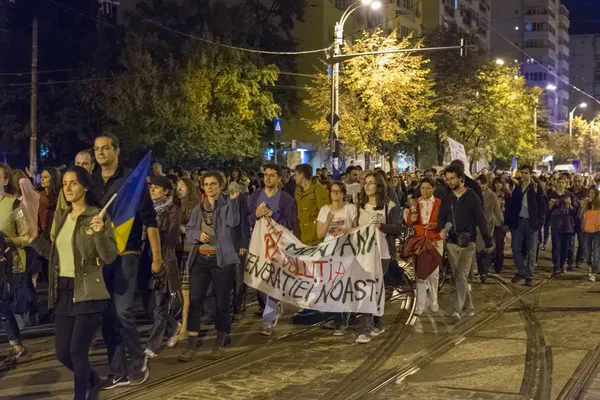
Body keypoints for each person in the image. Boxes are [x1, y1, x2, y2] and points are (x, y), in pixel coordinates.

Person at [30, 166, 118, 400]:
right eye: (65, 183)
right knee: (62, 354)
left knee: (78, 352)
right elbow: (57, 255)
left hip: (89, 289)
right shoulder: (62, 216)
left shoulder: (97, 216)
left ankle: (81, 395)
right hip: (64, 289)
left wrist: (99, 232)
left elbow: (109, 256)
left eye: (74, 183)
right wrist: (34, 241)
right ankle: (93, 379)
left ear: (85, 186)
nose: (68, 188)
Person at [92, 133, 159, 389]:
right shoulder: (92, 182)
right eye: (97, 149)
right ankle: (117, 370)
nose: (101, 153)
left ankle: (138, 357)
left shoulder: (132, 181)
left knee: (122, 310)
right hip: (101, 255)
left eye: (105, 148)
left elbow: (150, 220)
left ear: (117, 150)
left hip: (127, 253)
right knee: (107, 315)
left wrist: (157, 257)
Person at [178, 171, 248, 362]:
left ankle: (220, 341)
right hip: (200, 259)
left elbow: (234, 222)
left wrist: (233, 201)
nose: (209, 187)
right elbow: (190, 229)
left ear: (220, 186)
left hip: (221, 260)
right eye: (206, 184)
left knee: (222, 302)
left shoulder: (227, 205)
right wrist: (197, 235)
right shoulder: (198, 208)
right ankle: (192, 344)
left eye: (213, 184)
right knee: (195, 301)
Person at [438, 165, 492, 323]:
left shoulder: (472, 196)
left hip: (468, 244)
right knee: (457, 277)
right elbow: (441, 216)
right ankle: (469, 308)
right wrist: (441, 230)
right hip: (452, 243)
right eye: (447, 179)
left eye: (452, 178)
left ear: (461, 178)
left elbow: (481, 220)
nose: (449, 182)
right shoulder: (446, 196)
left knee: (461, 276)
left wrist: (488, 241)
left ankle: (457, 310)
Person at [247, 164, 297, 335]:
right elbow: (246, 219)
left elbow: (291, 223)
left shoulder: (286, 199)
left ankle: (267, 320)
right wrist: (256, 215)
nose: (267, 178)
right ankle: (273, 304)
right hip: (258, 245)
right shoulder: (254, 196)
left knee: (273, 280)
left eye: (271, 175)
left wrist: (272, 216)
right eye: (265, 175)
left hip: (277, 247)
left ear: (279, 179)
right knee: (259, 280)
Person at [355, 172, 403, 343]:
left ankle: (364, 329)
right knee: (371, 288)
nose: (367, 186)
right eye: (365, 183)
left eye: (371, 183)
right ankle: (377, 322)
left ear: (379, 186)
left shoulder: (389, 206)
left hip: (382, 254)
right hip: (363, 254)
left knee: (371, 287)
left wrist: (382, 226)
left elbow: (398, 228)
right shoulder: (360, 206)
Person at [145, 176, 182, 358]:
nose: (152, 190)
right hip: (146, 261)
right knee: (149, 305)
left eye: (157, 187)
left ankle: (153, 345)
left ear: (166, 191)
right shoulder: (147, 210)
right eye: (151, 187)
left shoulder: (172, 210)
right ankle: (173, 325)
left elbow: (172, 237)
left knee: (159, 305)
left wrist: (153, 231)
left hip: (164, 260)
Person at [316, 181, 356, 335]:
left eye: (339, 191)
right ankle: (333, 316)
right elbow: (320, 234)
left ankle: (340, 321)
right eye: (333, 191)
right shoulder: (324, 210)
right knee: (330, 285)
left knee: (342, 285)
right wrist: (328, 220)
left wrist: (347, 229)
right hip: (328, 252)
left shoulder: (350, 209)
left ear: (344, 193)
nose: (336, 194)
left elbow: (356, 229)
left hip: (345, 252)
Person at [0, 163, 29, 368]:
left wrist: (5, 242)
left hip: (10, 266)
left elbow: (27, 237)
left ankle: (17, 345)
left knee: (3, 306)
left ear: (5, 180)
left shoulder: (15, 206)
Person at [505, 165, 546, 286]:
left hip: (531, 222)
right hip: (518, 222)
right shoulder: (517, 188)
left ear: (531, 174)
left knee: (532, 251)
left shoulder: (536, 188)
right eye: (522, 173)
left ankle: (529, 276)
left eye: (526, 173)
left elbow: (542, 206)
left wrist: (540, 222)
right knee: (515, 248)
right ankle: (522, 271)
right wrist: (508, 222)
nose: (524, 175)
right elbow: (511, 206)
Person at [406, 177, 442, 316]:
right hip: (419, 241)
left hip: (435, 240)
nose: (425, 191)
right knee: (420, 274)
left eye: (428, 188)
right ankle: (420, 304)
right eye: (422, 188)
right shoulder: (415, 203)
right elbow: (410, 221)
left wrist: (436, 225)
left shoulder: (439, 203)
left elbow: (444, 220)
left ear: (433, 188)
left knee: (434, 273)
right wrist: (412, 219)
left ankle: (434, 299)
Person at [173, 178, 198, 342]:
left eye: (182, 186)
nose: (179, 189)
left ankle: (185, 327)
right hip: (175, 253)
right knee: (178, 293)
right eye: (177, 187)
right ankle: (178, 324)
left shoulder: (196, 208)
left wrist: (181, 228)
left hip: (189, 252)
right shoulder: (174, 206)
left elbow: (196, 231)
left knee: (186, 292)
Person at [475, 175, 503, 283]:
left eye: (482, 183)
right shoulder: (473, 194)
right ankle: (481, 270)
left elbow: (497, 210)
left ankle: (484, 272)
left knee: (487, 249)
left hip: (488, 226)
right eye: (478, 184)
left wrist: (502, 222)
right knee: (478, 250)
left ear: (486, 184)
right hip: (476, 226)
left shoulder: (492, 195)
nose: (480, 186)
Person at [548, 176, 577, 277]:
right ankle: (556, 266)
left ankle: (562, 265)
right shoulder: (552, 195)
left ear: (566, 184)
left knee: (565, 246)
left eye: (563, 182)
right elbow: (548, 211)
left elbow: (575, 210)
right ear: (556, 183)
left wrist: (571, 207)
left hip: (567, 224)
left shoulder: (570, 195)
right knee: (556, 246)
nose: (561, 184)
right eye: (559, 182)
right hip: (556, 224)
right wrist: (550, 205)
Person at [294, 164, 330, 245]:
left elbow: (325, 213)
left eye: (296, 174)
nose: (294, 177)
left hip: (315, 237)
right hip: (302, 235)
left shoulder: (319, 190)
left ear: (302, 175)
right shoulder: (298, 191)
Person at [579, 186, 600, 282]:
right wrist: (584, 205)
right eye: (590, 193)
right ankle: (590, 267)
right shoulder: (586, 204)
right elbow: (580, 216)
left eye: (593, 193)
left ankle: (594, 272)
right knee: (587, 254)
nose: (591, 195)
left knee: (596, 254)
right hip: (587, 232)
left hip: (597, 232)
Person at [567, 174, 587, 270]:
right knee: (570, 242)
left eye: (579, 181)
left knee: (582, 242)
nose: (577, 183)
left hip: (581, 220)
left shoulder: (586, 192)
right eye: (576, 181)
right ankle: (570, 261)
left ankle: (580, 260)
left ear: (582, 182)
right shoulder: (568, 191)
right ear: (573, 182)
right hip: (570, 220)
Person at [491, 176, 510, 273]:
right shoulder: (490, 194)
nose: (498, 185)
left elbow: (508, 210)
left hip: (501, 223)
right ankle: (490, 262)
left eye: (500, 183)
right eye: (496, 183)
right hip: (490, 223)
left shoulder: (506, 196)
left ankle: (498, 266)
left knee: (499, 246)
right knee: (490, 245)